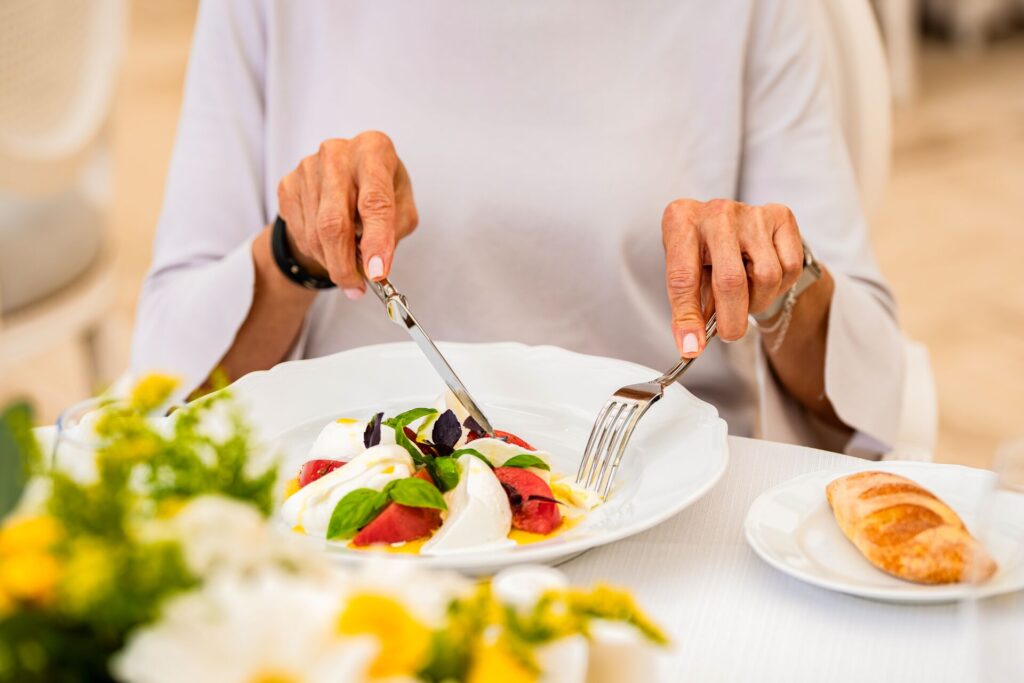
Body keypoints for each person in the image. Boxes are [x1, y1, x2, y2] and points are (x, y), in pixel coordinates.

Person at [132, 0, 905, 457]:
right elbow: (167, 385)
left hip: (662, 496)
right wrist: (292, 255)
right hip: (337, 518)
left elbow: (865, 397)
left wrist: (776, 281)